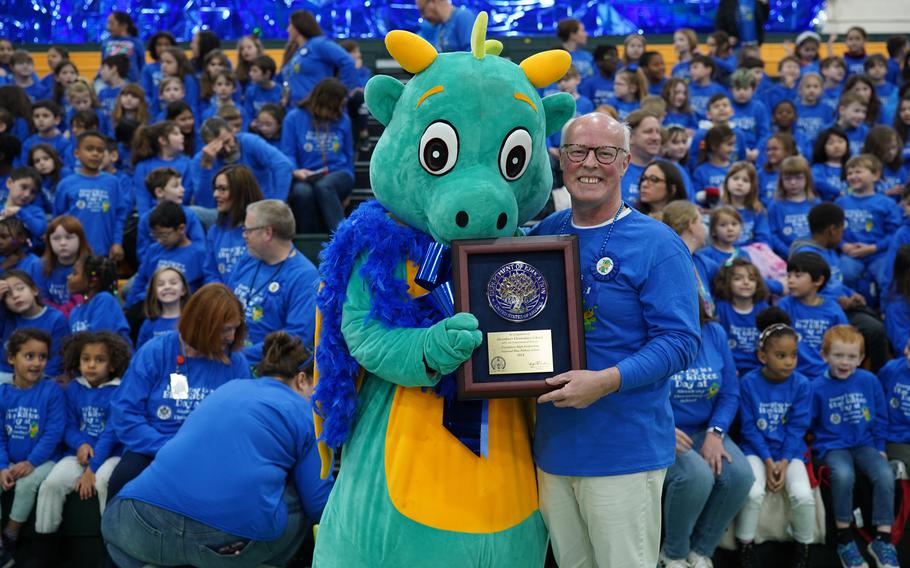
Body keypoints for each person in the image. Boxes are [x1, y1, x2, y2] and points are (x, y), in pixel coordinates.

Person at [530, 113, 700, 568]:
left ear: (625, 163)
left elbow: (682, 341)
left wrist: (606, 380)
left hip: (625, 451)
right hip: (553, 447)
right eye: (577, 151)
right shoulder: (543, 234)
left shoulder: (658, 244)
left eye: (604, 153)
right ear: (561, 160)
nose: (590, 163)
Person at [102, 331, 333, 567]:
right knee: (298, 491)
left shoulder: (228, 388)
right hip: (227, 543)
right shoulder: (307, 414)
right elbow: (319, 506)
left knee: (122, 541)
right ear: (302, 379)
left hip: (136, 523)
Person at [105, 283, 252, 503]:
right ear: (201, 325)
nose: (231, 337)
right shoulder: (156, 351)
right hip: (152, 449)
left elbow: (243, 420)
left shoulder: (235, 361)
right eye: (224, 330)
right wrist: (165, 447)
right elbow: (125, 412)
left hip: (208, 454)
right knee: (123, 480)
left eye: (234, 328)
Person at [811, 325, 899, 568]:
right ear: (824, 355)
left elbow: (880, 417)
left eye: (851, 357)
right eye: (838, 355)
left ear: (861, 358)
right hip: (833, 446)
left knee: (884, 473)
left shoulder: (869, 381)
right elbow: (807, 423)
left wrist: (880, 447)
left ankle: (883, 538)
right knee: (843, 474)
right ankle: (844, 537)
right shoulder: (816, 387)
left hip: (865, 444)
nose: (844, 362)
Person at [735, 314, 814, 568]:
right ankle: (745, 545)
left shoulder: (802, 384)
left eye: (794, 355)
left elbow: (797, 427)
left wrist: (783, 461)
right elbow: (748, 428)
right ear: (762, 357)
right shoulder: (748, 382)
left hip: (789, 452)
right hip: (756, 451)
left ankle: (803, 546)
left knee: (803, 495)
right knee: (753, 492)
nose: (790, 362)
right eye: (781, 355)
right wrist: (769, 462)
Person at [34, 331, 131, 535]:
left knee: (104, 480)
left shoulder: (119, 390)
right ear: (78, 362)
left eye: (100, 360)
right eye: (86, 359)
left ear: (112, 365)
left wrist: (92, 470)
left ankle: (112, 539)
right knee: (51, 484)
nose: (91, 365)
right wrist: (80, 444)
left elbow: (112, 433)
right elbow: (67, 426)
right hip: (78, 453)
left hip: (113, 454)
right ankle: (43, 540)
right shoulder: (73, 389)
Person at [0, 329, 65, 564]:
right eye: (29, 356)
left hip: (44, 460)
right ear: (11, 358)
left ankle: (10, 535)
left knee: (27, 483)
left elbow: (54, 432)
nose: (37, 363)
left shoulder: (52, 391)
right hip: (10, 460)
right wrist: (2, 465)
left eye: (42, 357)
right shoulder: (3, 393)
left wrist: (31, 462)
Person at [228, 200, 318, 363]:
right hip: (231, 355)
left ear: (268, 233)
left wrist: (240, 356)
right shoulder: (248, 259)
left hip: (271, 368)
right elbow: (224, 302)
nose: (244, 235)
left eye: (248, 230)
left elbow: (295, 339)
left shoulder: (304, 276)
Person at [282, 78, 355, 234]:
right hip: (305, 174)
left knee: (324, 186)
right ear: (327, 101)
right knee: (302, 193)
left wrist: (348, 193)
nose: (341, 109)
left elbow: (348, 155)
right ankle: (311, 242)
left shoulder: (343, 119)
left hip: (338, 172)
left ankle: (343, 238)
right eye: (338, 105)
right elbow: (288, 152)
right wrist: (296, 171)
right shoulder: (294, 118)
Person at [189, 117, 292, 221]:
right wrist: (206, 167)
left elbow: (283, 164)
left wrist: (277, 204)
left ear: (232, 132)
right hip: (224, 215)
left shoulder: (249, 142)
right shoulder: (201, 160)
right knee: (193, 212)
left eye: (227, 141)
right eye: (218, 147)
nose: (227, 149)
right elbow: (205, 204)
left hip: (259, 210)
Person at [280, 9, 358, 106]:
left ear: (298, 26)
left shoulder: (318, 44)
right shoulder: (296, 51)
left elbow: (348, 61)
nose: (287, 30)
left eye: (290, 25)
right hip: (295, 108)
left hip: (318, 108)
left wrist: (341, 94)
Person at [203, 164, 264, 284]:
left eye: (222, 189)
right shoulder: (215, 231)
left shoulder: (262, 229)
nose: (215, 194)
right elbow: (210, 273)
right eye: (215, 188)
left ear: (240, 192)